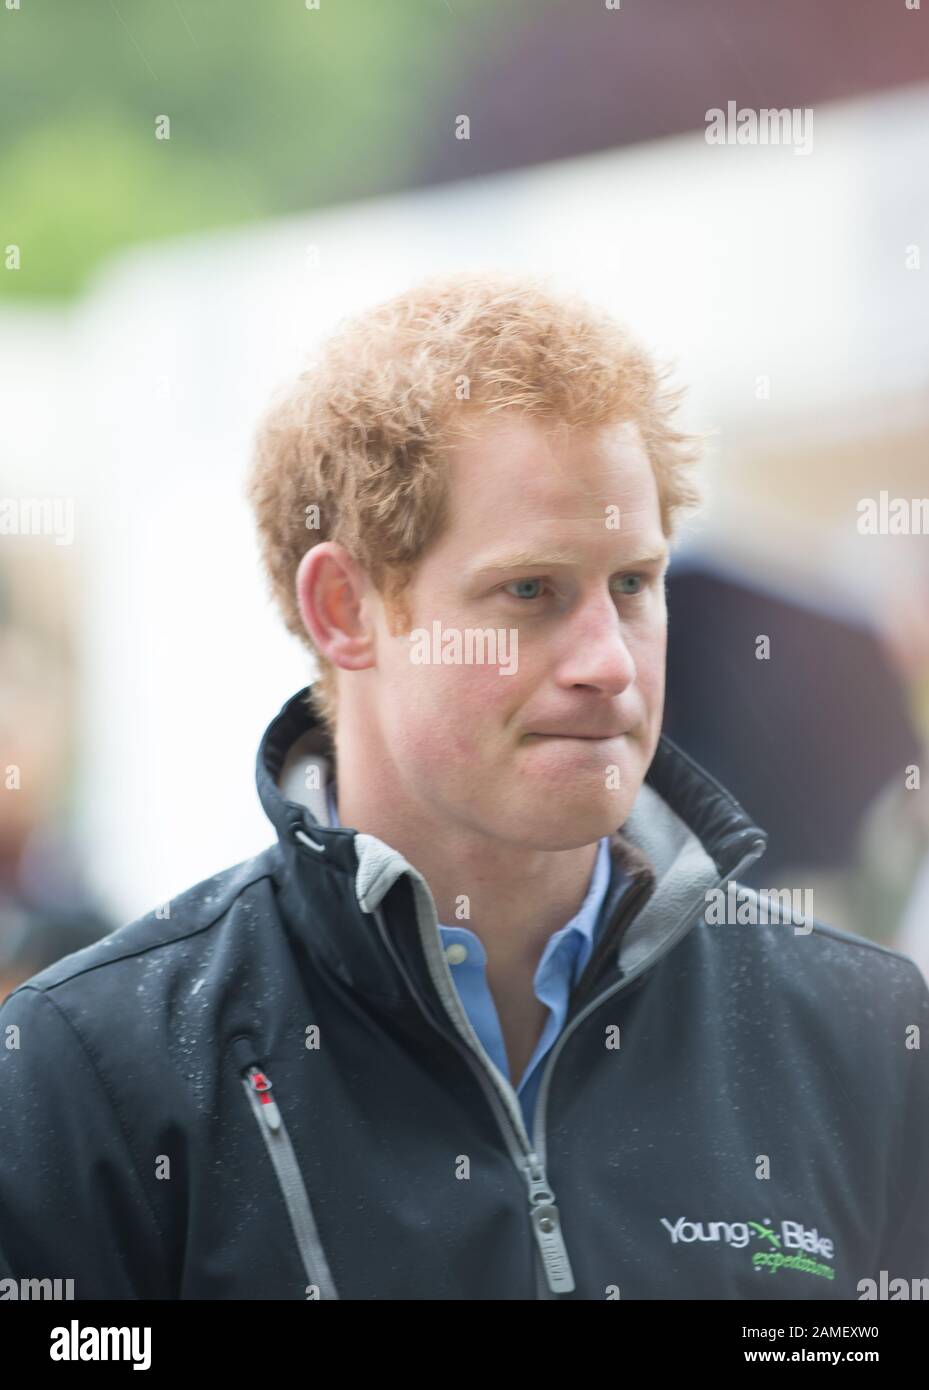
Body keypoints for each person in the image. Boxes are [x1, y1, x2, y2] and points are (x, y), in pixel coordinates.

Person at [0, 270, 926, 1300]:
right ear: (344, 608)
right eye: (530, 590)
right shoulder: (90, 1066)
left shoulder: (865, 1030)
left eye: (631, 584)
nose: (608, 660)